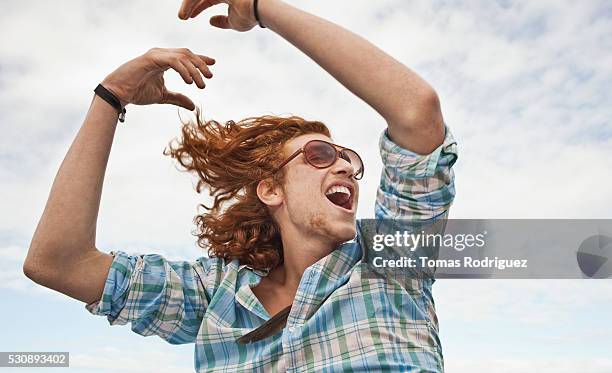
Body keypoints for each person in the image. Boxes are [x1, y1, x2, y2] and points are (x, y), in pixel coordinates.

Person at [24, 0, 458, 371]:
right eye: (320, 155)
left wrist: (257, 6)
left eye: (348, 158)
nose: (344, 165)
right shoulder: (216, 296)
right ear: (271, 191)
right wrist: (111, 96)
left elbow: (417, 111)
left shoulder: (391, 264)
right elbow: (58, 263)